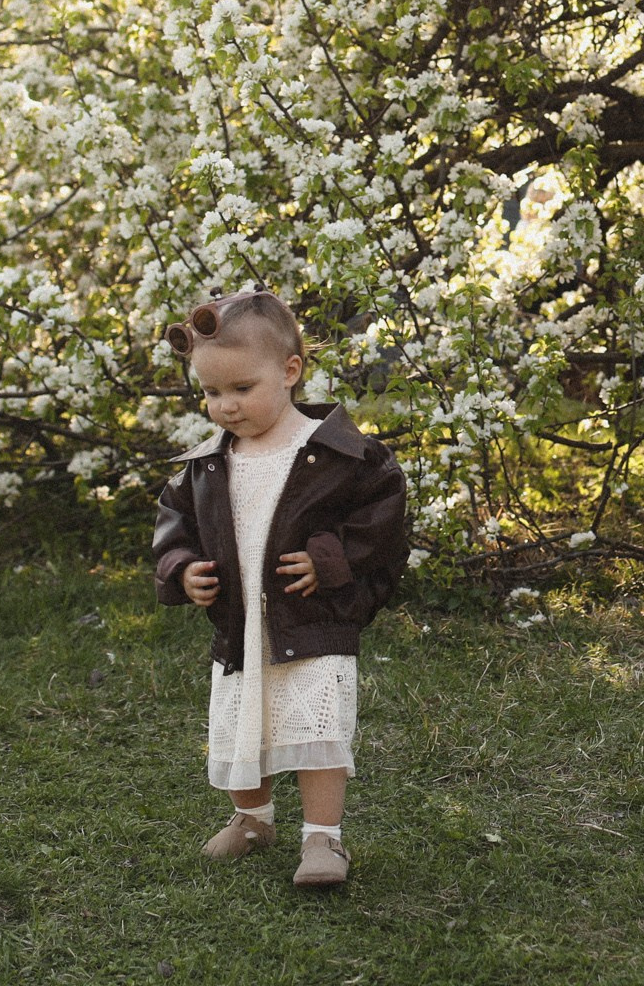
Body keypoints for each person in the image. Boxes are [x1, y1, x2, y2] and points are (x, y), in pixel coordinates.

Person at [152, 290, 408, 886]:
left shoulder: (339, 454)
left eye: (242, 389)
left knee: (315, 729)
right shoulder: (208, 463)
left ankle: (324, 839)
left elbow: (384, 516)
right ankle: (251, 818)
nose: (226, 407)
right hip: (242, 626)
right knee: (244, 723)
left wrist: (330, 558)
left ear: (290, 371)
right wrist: (182, 566)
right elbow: (175, 520)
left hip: (310, 620)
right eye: (212, 393)